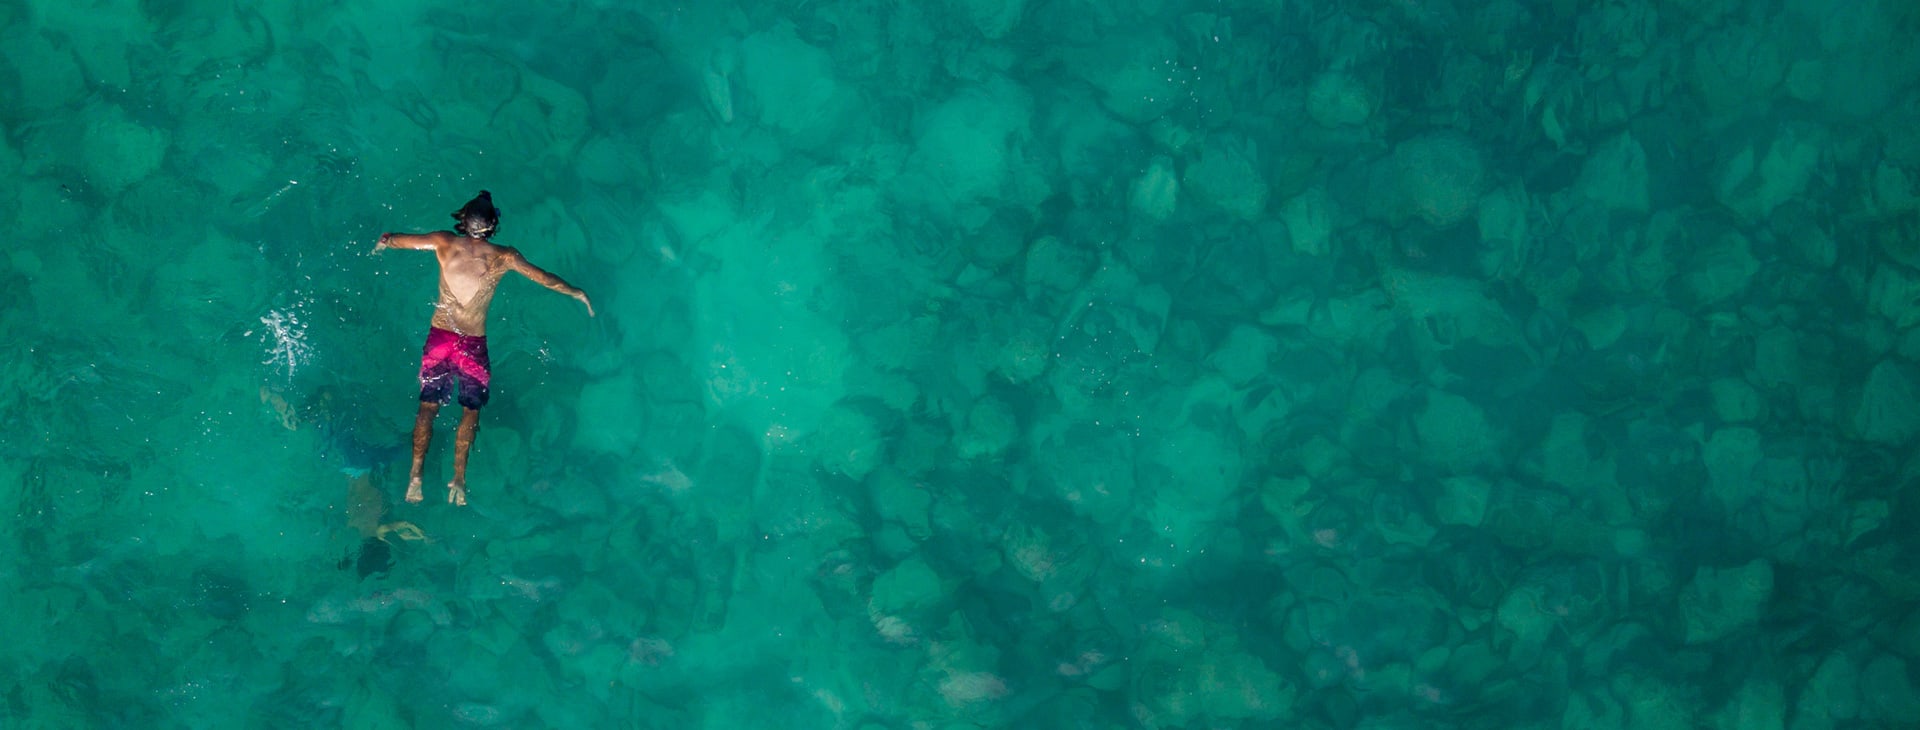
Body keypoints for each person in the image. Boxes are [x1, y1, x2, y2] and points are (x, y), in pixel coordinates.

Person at [373, 191, 593, 505]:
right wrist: (576, 293)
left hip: (440, 338)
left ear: (462, 221)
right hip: (472, 345)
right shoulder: (504, 256)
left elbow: (396, 239)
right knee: (470, 411)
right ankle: (459, 478)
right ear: (492, 227)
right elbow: (545, 279)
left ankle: (416, 474)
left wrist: (383, 242)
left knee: (427, 409)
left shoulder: (443, 242)